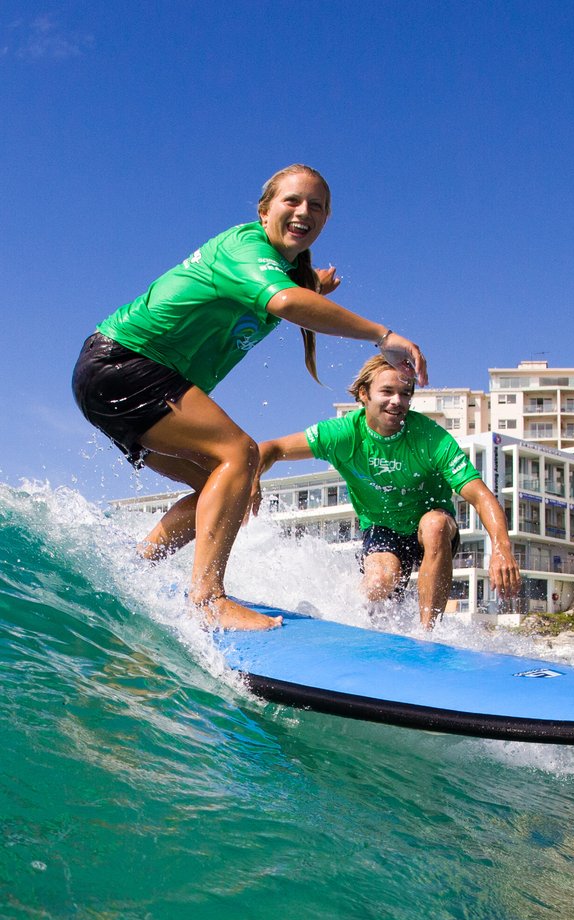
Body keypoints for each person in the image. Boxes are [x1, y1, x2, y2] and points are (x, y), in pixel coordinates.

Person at [72, 165, 427, 631]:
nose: (305, 212)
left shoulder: (280, 269)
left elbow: (295, 291)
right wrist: (383, 336)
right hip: (125, 364)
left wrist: (315, 284)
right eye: (293, 201)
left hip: (114, 377)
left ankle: (136, 568)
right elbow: (284, 302)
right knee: (240, 455)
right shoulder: (244, 247)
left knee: (219, 489)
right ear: (264, 211)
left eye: (317, 206)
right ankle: (209, 599)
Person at [257, 356, 521, 628]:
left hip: (431, 529)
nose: (397, 401)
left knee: (434, 525)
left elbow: (481, 495)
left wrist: (501, 548)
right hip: (382, 527)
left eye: (405, 394)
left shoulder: (430, 437)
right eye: (387, 391)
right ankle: (366, 631)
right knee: (378, 584)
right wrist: (253, 477)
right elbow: (270, 449)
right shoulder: (343, 434)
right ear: (364, 394)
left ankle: (430, 634)